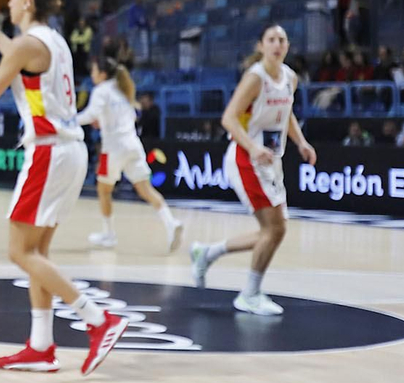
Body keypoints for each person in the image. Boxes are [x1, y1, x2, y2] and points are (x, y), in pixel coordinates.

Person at [0, 0, 129, 375]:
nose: (9, 2)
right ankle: (41, 346)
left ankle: (98, 320)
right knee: (37, 254)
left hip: (49, 152)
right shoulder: (52, 40)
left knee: (19, 251)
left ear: (28, 2)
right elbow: (20, 56)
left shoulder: (26, 46)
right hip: (70, 151)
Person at [188, 24, 317, 316]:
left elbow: (286, 113)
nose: (277, 44)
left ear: (288, 46)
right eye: (271, 39)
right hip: (246, 159)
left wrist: (301, 142)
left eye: (282, 39)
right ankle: (249, 294)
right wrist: (253, 147)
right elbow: (229, 118)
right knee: (275, 229)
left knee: (273, 231)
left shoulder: (290, 78)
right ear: (261, 45)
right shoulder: (255, 77)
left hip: (270, 161)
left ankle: (206, 253)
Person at [78, 56, 183, 252]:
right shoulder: (122, 88)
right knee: (145, 189)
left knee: (103, 190)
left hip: (112, 148)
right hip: (133, 145)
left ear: (102, 74)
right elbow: (130, 116)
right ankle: (171, 223)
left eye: (94, 70)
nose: (92, 74)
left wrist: (69, 121)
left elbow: (90, 115)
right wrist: (104, 120)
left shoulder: (101, 91)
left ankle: (109, 234)